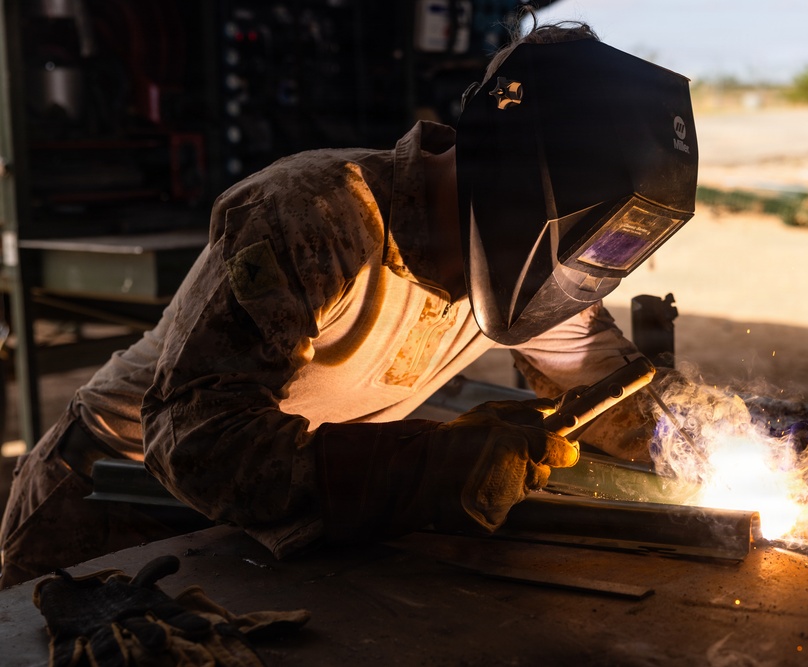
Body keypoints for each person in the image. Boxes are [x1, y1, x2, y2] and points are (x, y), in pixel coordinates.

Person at [0, 17, 698, 589]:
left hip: (251, 527)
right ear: (521, 168)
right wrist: (425, 466)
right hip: (110, 504)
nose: (572, 281)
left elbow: (623, 397)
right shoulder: (318, 215)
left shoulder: (539, 275)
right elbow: (199, 442)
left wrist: (733, 438)